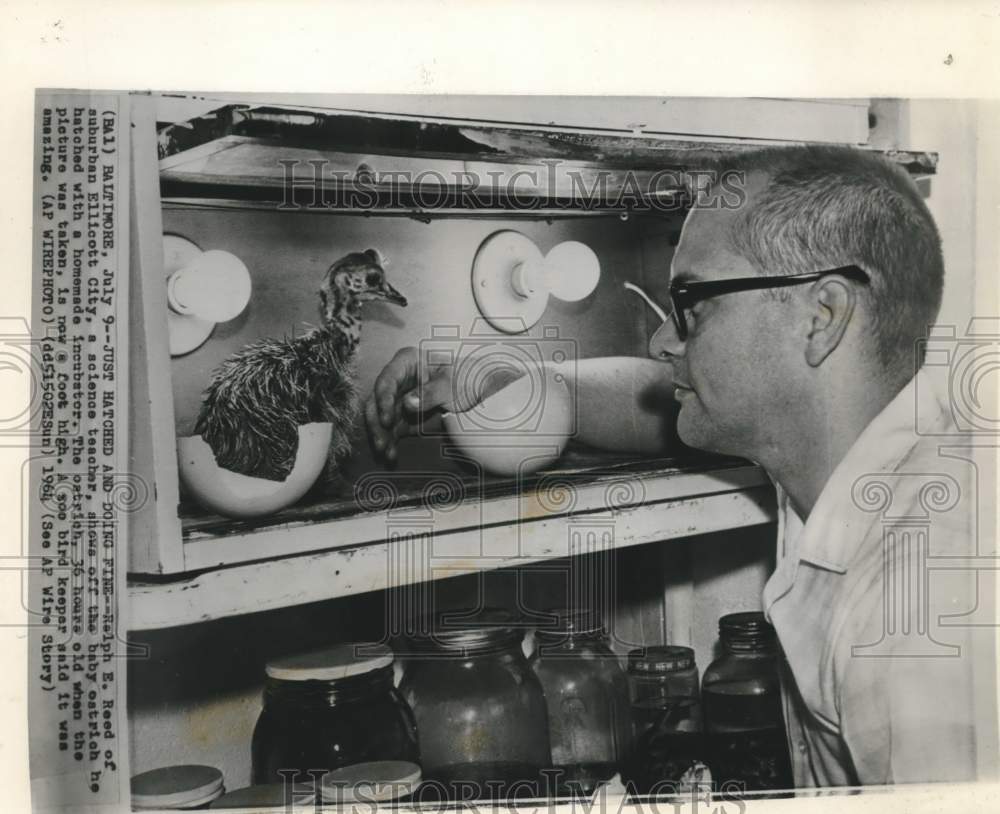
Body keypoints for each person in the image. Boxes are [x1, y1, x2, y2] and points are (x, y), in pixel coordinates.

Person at [364, 145, 990, 788]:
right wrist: (511, 378)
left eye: (693, 303)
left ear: (822, 317)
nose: (664, 340)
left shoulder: (922, 605)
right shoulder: (856, 456)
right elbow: (655, 403)